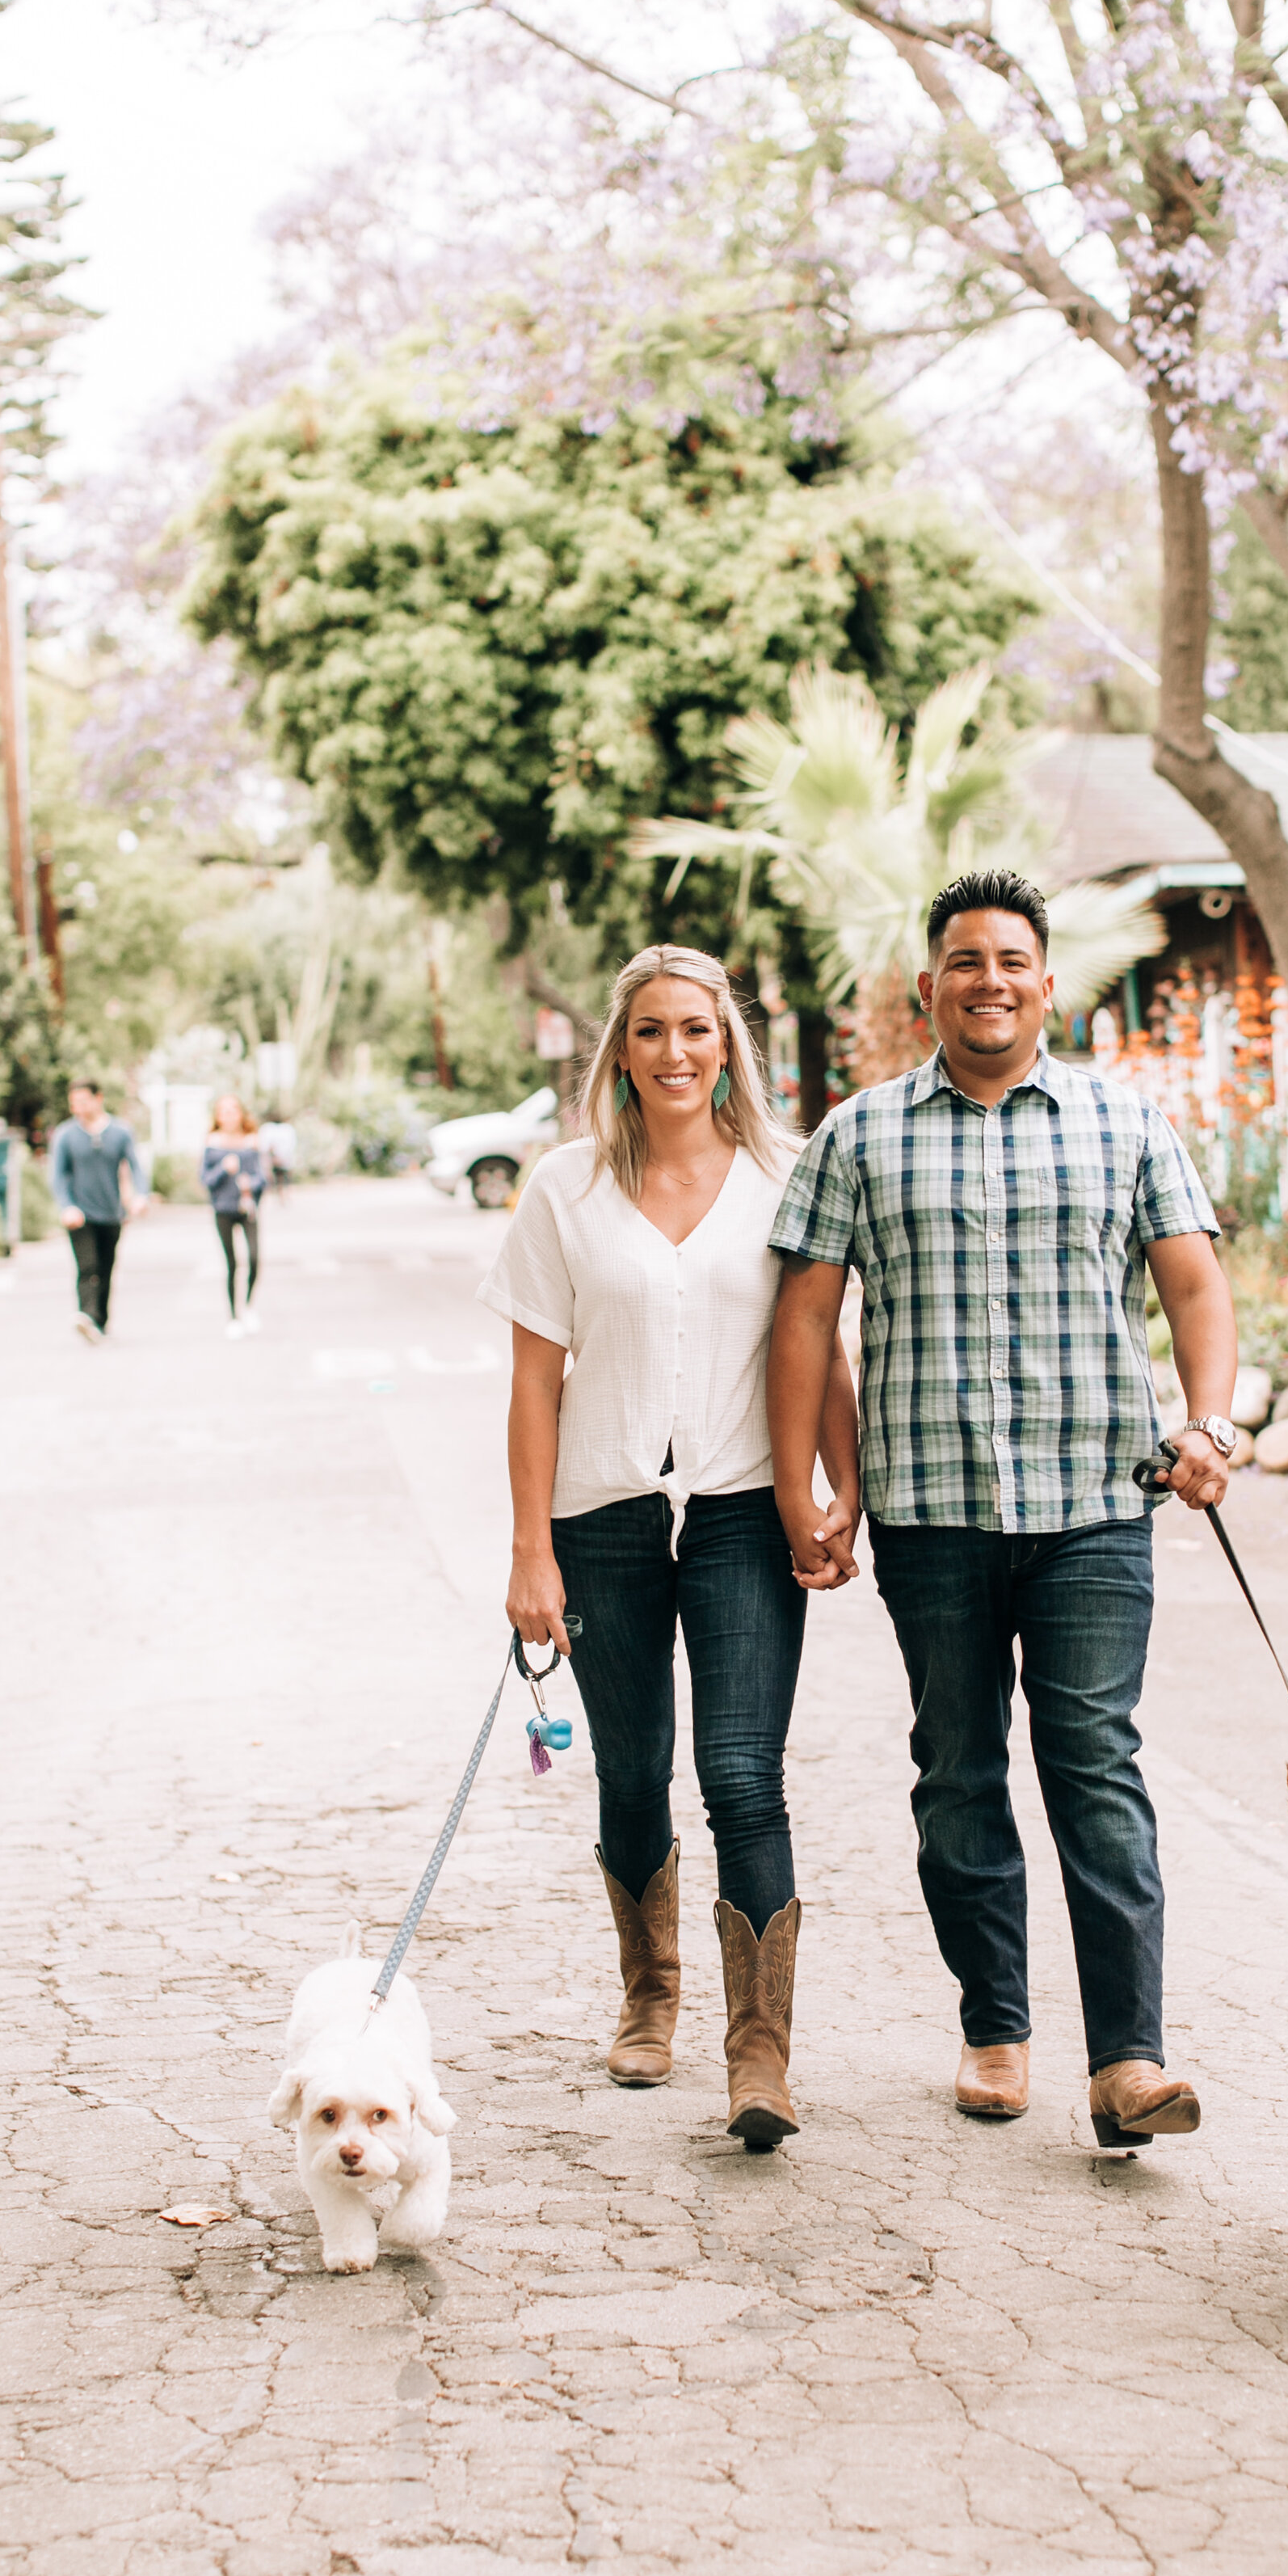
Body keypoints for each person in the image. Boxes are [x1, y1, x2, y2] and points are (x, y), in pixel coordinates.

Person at [766, 867, 1240, 2148]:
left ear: (1046, 981)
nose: (990, 981)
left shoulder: (1124, 1122)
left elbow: (1195, 1288)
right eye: (965, 961)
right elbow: (806, 1321)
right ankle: (995, 2025)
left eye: (1012, 960)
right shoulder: (858, 1135)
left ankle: (1129, 2060)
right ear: (929, 989)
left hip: (1098, 1499)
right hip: (931, 1514)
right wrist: (807, 1484)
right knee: (960, 1770)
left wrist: (1206, 1419)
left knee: (1096, 1766)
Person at [483, 944, 861, 2149]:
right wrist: (528, 1550)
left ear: (728, 1043)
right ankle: (652, 1996)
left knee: (745, 1773)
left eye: (696, 1028)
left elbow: (821, 1347)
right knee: (634, 1769)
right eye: (650, 1030)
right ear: (621, 1049)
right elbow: (535, 1382)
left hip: (747, 1507)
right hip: (602, 1517)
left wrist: (841, 1492)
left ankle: (760, 2053)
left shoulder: (786, 1175)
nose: (676, 1052)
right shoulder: (565, 1188)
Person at [48, 1077, 149, 1344]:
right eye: (73, 1103)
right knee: (88, 1265)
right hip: (80, 1215)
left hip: (111, 1213)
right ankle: (86, 1315)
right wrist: (67, 1206)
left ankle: (101, 1321)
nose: (77, 1108)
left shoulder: (120, 1131)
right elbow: (58, 1176)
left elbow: (136, 1166)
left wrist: (141, 1196)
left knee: (106, 1267)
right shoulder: (65, 1135)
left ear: (98, 1098)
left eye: (83, 1101)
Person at [201, 1096, 269, 1337]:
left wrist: (251, 1183)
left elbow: (263, 1177)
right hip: (223, 1210)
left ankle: (248, 1305)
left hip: (247, 1208)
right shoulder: (212, 1144)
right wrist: (223, 1169)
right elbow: (205, 1180)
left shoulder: (251, 1142)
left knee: (254, 1258)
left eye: (233, 1111)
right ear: (218, 1116)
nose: (229, 1116)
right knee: (231, 1263)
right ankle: (233, 1316)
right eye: (224, 1111)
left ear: (241, 1113)